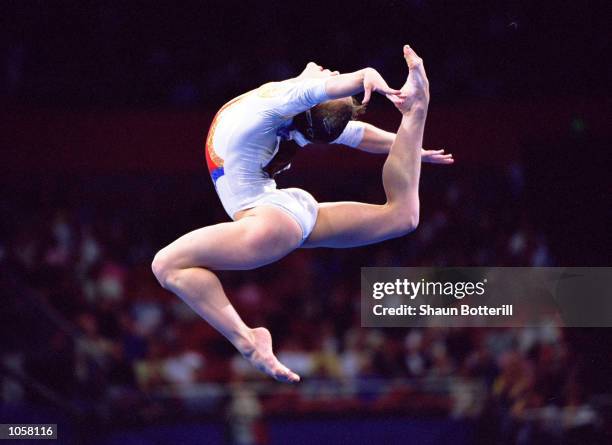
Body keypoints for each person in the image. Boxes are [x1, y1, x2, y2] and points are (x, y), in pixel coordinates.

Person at [152, 45, 451, 383]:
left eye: (334, 77)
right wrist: (410, 141)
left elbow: (337, 105)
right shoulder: (295, 120)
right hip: (287, 212)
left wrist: (366, 78)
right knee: (402, 216)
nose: (331, 71)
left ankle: (248, 341)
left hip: (269, 221)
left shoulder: (282, 102)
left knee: (166, 264)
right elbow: (359, 133)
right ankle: (416, 112)